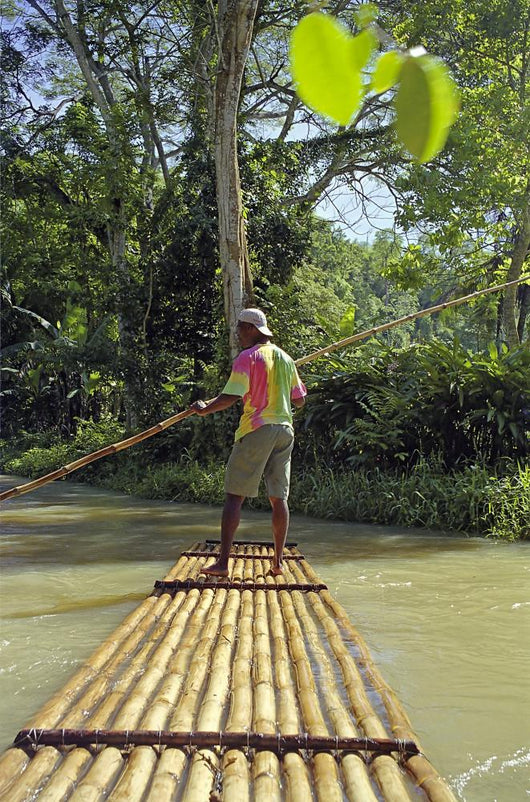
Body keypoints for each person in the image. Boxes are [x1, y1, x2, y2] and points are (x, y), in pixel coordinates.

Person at [191, 308, 307, 576]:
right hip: (284, 430)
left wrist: (204, 408)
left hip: (257, 429)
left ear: (252, 329)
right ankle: (277, 564)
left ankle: (222, 563)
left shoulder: (248, 358)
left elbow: (230, 396)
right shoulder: (286, 359)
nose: (238, 333)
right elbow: (300, 401)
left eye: (241, 328)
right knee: (279, 498)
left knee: (234, 495)